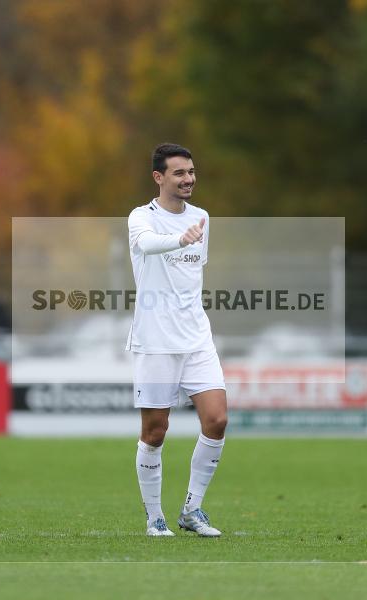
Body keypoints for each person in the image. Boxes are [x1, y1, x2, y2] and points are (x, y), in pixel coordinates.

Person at [127, 143, 228, 537]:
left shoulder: (202, 217)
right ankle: (155, 517)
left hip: (196, 337)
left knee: (217, 420)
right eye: (179, 173)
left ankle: (192, 509)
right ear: (159, 177)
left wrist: (188, 241)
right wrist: (180, 241)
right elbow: (148, 245)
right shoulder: (141, 217)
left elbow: (192, 275)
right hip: (155, 340)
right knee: (155, 431)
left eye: (191, 172)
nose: (188, 179)